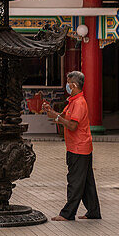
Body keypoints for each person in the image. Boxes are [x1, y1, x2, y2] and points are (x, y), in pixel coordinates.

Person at [42, 70, 101, 222]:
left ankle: (67, 213)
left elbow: (72, 125)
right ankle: (93, 211)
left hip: (78, 148)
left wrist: (56, 117)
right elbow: (62, 118)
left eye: (68, 83)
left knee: (74, 181)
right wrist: (52, 112)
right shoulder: (73, 101)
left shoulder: (79, 103)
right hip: (80, 147)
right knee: (87, 182)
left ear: (74, 85)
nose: (66, 85)